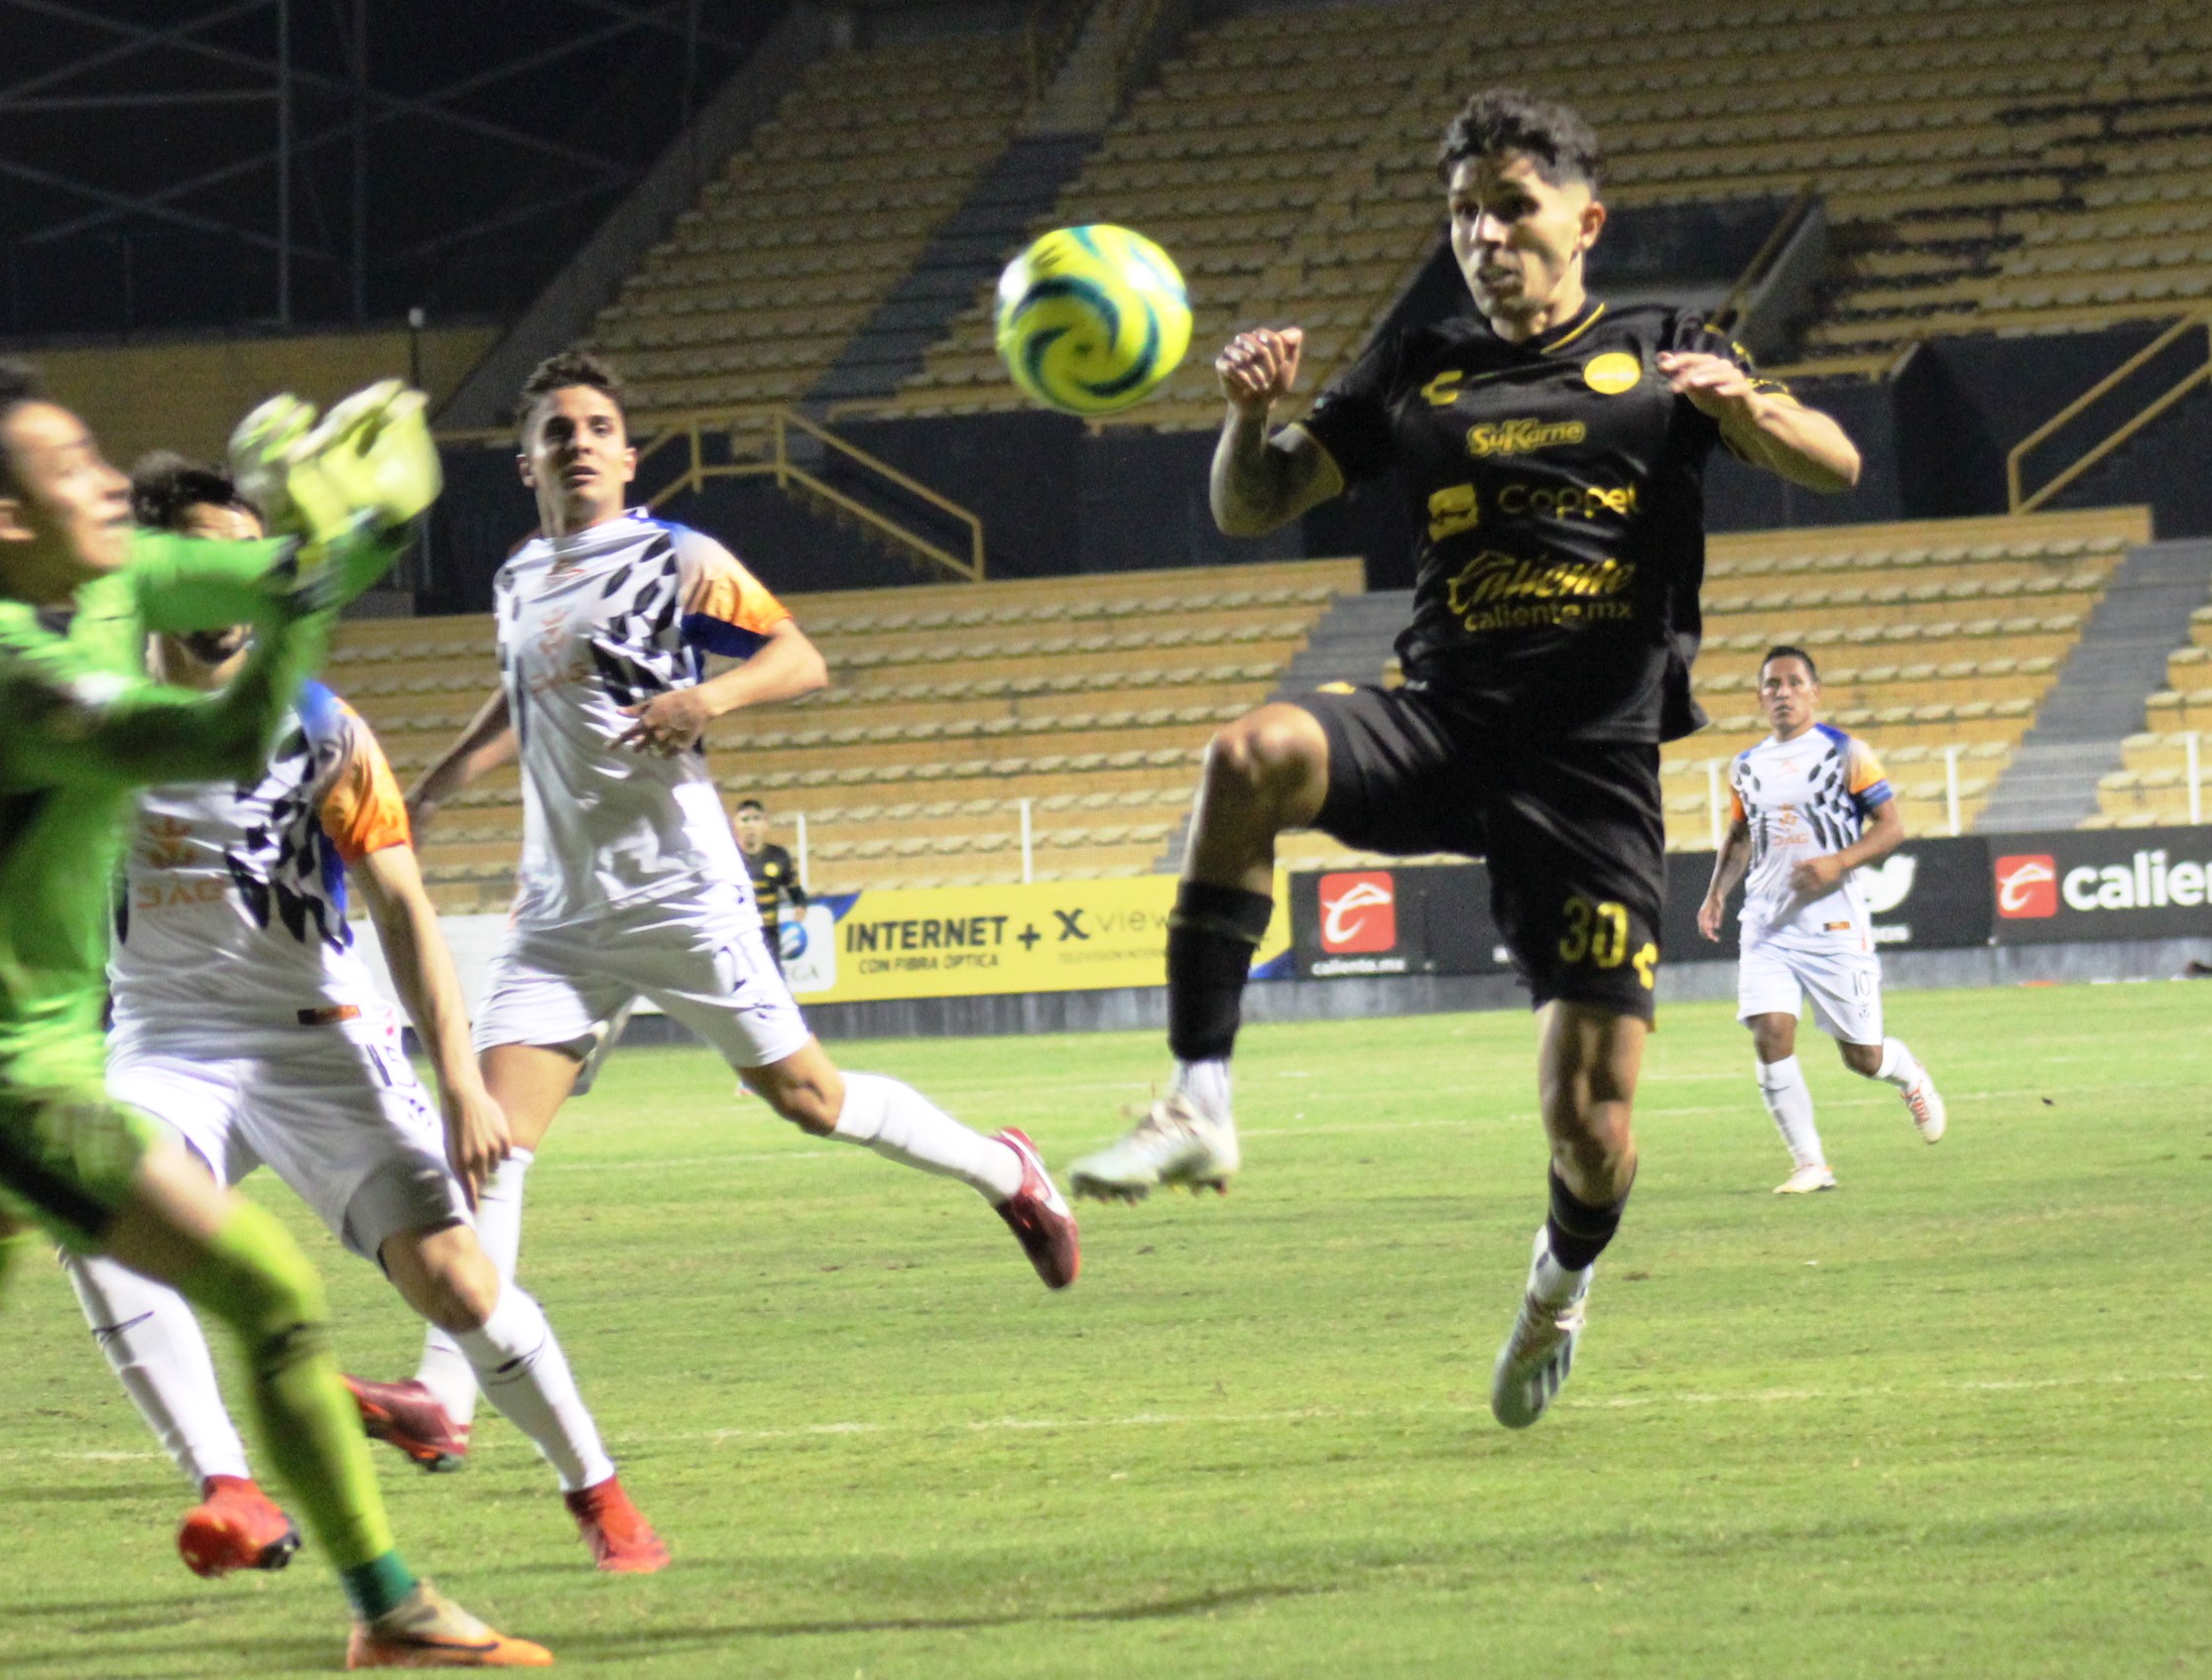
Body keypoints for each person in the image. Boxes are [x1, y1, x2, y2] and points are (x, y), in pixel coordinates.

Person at [0, 362, 552, 1674]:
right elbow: (216, 737)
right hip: (2, 1074)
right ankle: (388, 1608)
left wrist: (347, 530)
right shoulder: (8, 675)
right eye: (71, 463)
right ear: (1, 522)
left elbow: (264, 591)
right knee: (268, 1294)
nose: (108, 477)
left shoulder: (107, 578)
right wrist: (340, 558)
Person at [1063, 89, 1863, 1429]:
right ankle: (1196, 1094)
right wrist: (1245, 418)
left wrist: (1741, 409)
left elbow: (1831, 460)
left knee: (1591, 1128)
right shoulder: (1418, 361)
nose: (1482, 236)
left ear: (1582, 221)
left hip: (1590, 769)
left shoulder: (1665, 348)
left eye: (1510, 207)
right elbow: (1250, 504)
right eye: (1460, 213)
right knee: (1244, 753)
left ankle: (1556, 1283)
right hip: (1438, 720)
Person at [344, 350, 1079, 1471]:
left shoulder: (673, 554)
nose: (579, 440)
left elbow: (800, 654)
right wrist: (436, 785)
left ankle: (1005, 1170)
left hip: (683, 888)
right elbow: (520, 694)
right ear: (527, 459)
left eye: (598, 425)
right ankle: (446, 1393)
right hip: (560, 911)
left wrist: (707, 695)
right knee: (486, 1144)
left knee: (811, 1099)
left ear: (627, 456)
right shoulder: (515, 577)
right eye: (557, 428)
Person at [59, 454, 665, 1576]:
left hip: (326, 1046)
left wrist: (465, 1084)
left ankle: (600, 1493)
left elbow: (405, 911)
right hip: (168, 1052)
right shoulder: (87, 728)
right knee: (89, 1206)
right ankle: (229, 1485)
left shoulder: (319, 729)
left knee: (460, 1285)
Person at [1696, 647, 1945, 1193]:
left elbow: (1891, 827)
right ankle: (1810, 1162)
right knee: (1770, 1031)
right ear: (1760, 697)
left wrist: (1839, 861)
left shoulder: (1845, 753)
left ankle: (1907, 1074)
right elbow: (1740, 837)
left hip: (1833, 925)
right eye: (1772, 684)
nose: (1782, 692)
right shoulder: (1746, 766)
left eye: (1793, 682)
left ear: (1814, 692)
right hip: (1765, 922)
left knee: (1863, 1056)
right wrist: (1716, 893)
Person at [732, 798, 807, 973]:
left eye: (756, 819)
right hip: (737, 937)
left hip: (768, 935)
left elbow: (794, 888)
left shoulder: (778, 856)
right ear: (735, 824)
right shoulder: (727, 857)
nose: (750, 825)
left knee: (774, 981)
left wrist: (800, 903)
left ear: (765, 824)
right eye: (744, 820)